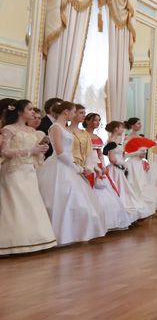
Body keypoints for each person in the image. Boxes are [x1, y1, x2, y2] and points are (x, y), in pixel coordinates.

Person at [35, 100, 107, 245]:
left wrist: (81, 166)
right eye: (74, 112)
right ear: (66, 112)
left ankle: (74, 234)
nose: (75, 115)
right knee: (59, 200)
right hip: (59, 165)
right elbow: (59, 152)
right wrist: (75, 168)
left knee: (76, 200)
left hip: (68, 164)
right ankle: (58, 235)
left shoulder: (64, 128)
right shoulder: (55, 127)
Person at [0, 99, 56, 255]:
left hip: (29, 171)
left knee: (31, 203)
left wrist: (40, 150)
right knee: (14, 205)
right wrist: (30, 151)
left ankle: (34, 240)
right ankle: (11, 242)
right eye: (30, 109)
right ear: (19, 112)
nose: (33, 112)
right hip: (13, 171)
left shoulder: (32, 131)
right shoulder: (8, 129)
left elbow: (32, 150)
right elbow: (4, 151)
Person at [85, 113, 131, 231]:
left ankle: (109, 222)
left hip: (100, 167)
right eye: (95, 120)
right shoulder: (83, 135)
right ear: (87, 121)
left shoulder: (97, 137)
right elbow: (86, 153)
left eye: (98, 120)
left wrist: (103, 165)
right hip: (88, 165)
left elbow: (100, 153)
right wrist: (95, 166)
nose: (97, 122)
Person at [104, 121, 151, 221]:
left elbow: (121, 155)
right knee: (120, 190)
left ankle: (127, 217)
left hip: (119, 168)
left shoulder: (115, 141)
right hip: (115, 168)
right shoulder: (111, 141)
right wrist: (123, 163)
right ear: (116, 129)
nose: (123, 130)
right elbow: (112, 159)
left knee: (124, 190)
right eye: (121, 128)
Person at [121, 118, 157, 215]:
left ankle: (144, 210)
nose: (140, 125)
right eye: (138, 123)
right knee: (133, 184)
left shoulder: (140, 138)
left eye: (140, 123)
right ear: (132, 125)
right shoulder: (127, 138)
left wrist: (143, 154)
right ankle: (134, 209)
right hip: (132, 164)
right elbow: (124, 154)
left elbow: (143, 150)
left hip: (139, 164)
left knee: (143, 184)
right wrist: (137, 153)